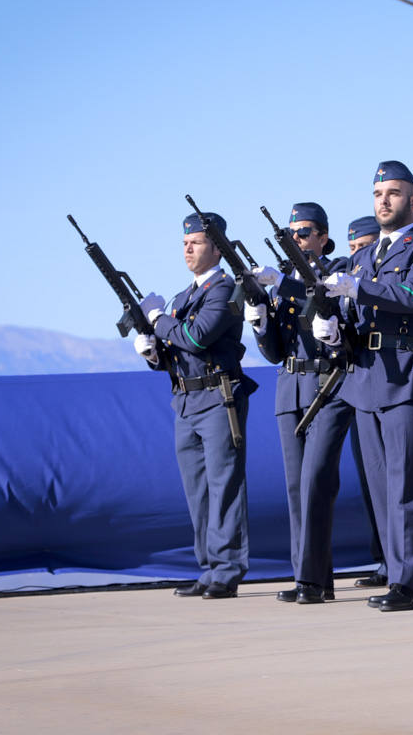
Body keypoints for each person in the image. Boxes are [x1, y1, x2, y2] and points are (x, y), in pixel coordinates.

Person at [321, 160, 413, 611]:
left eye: (394, 193)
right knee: (381, 489)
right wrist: (330, 326)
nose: (384, 201)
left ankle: (406, 585)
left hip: (407, 374)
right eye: (378, 194)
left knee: (407, 486)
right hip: (365, 377)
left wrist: (357, 289)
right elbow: (352, 317)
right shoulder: (362, 257)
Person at [135, 212, 255, 599]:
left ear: (217, 247)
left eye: (197, 242)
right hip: (186, 400)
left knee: (224, 486)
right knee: (198, 492)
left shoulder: (224, 289)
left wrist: (157, 320)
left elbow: (198, 337)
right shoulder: (183, 297)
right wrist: (153, 353)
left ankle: (228, 569)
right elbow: (177, 352)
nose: (188, 248)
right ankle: (208, 567)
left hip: (219, 398)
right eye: (185, 242)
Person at [249, 203, 352, 604]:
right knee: (296, 487)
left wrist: (284, 284)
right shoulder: (285, 281)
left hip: (328, 386)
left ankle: (309, 580)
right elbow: (275, 351)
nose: (298, 239)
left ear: (324, 238)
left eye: (306, 232)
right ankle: (311, 577)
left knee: (316, 482)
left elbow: (330, 300)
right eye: (293, 233)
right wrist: (259, 316)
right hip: (289, 386)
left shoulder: (338, 269)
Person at [345, 215, 389, 586]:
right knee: (371, 479)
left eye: (364, 246)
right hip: (360, 380)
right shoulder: (354, 270)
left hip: (395, 376)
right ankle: (387, 559)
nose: (359, 254)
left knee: (398, 480)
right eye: (354, 249)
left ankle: (404, 566)